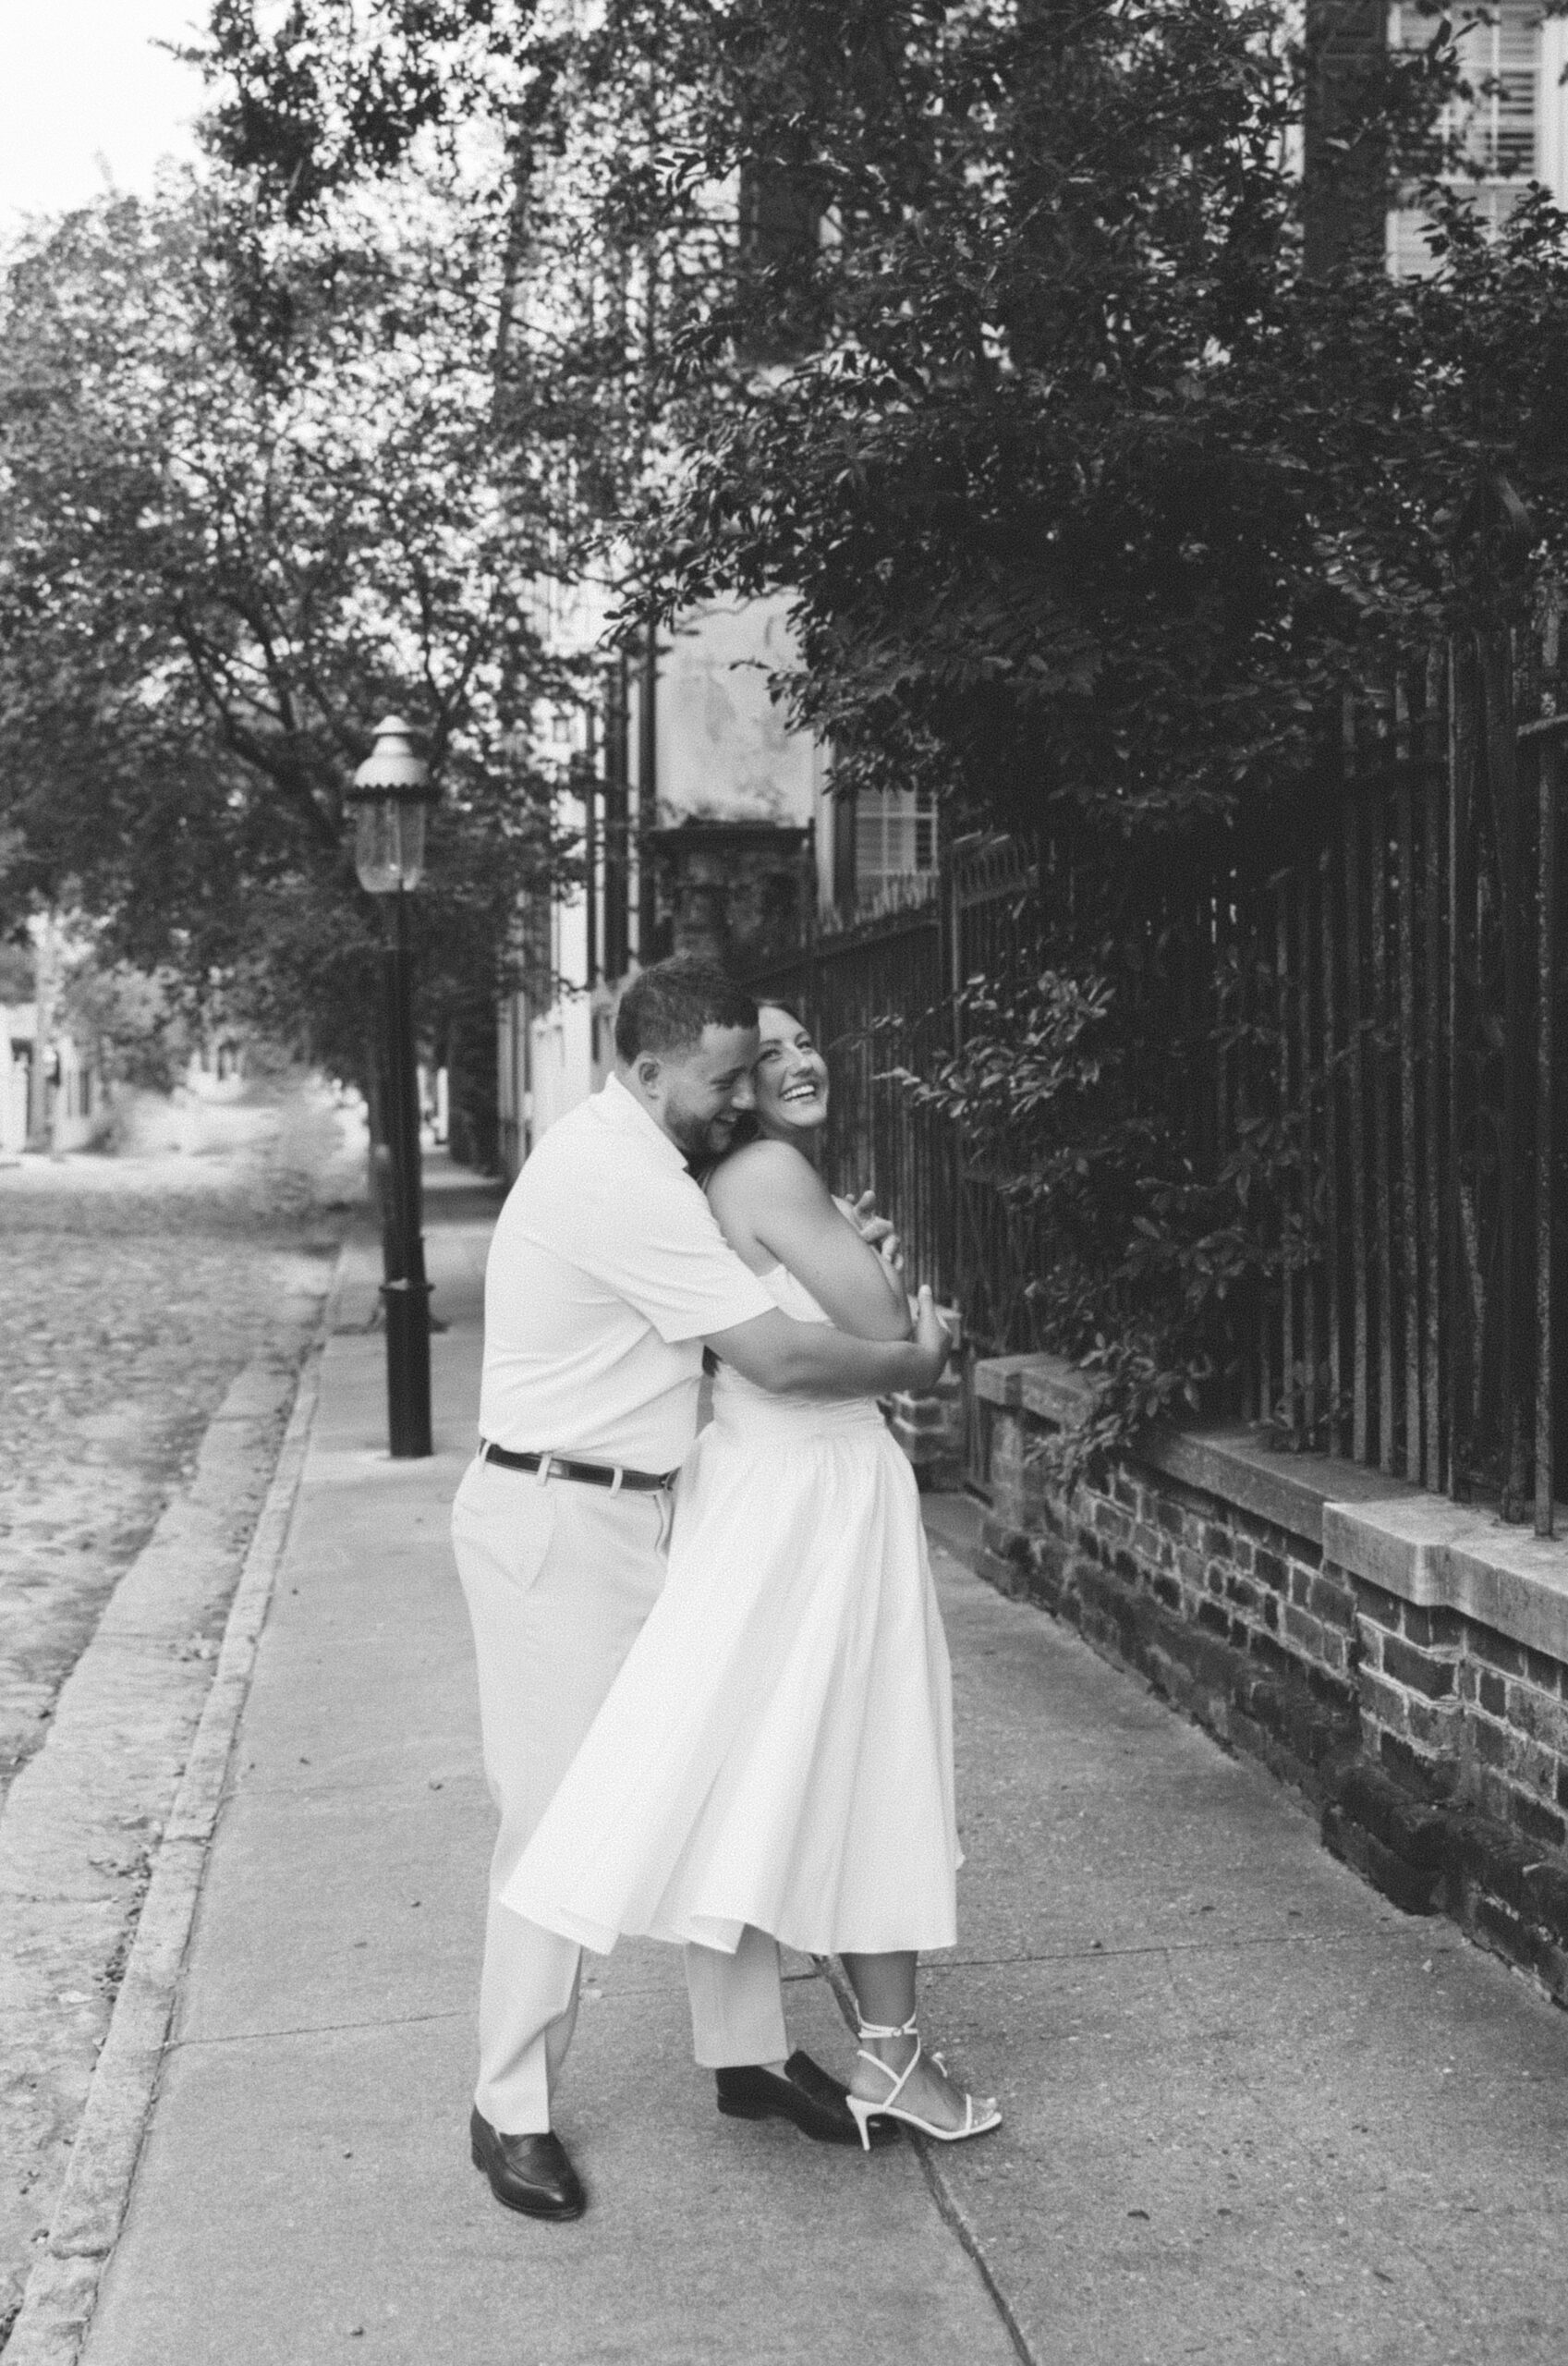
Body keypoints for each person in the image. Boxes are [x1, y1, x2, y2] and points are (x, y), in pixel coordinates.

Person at [449, 958, 953, 2223]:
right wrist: (914, 1359)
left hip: (658, 1509)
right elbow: (776, 1355)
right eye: (722, 1077)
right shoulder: (612, 1174)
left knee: (721, 1770)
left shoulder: (662, 1156)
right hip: (559, 1520)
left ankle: (745, 2056)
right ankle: (507, 2108)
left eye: (747, 1073)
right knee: (560, 1817)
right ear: (648, 1067)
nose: (740, 1099)